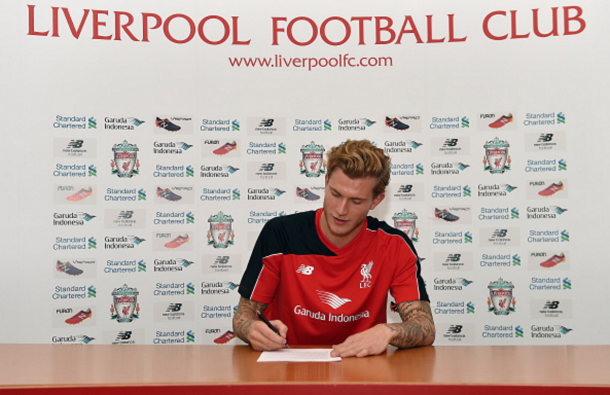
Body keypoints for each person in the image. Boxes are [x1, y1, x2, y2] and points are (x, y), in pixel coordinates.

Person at [233, 139, 435, 357]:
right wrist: (252, 330)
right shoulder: (280, 233)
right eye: (335, 194)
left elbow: (425, 326)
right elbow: (243, 315)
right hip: (288, 368)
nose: (341, 210)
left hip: (362, 372)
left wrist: (388, 331)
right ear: (326, 181)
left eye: (356, 201)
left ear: (376, 201)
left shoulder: (395, 245)